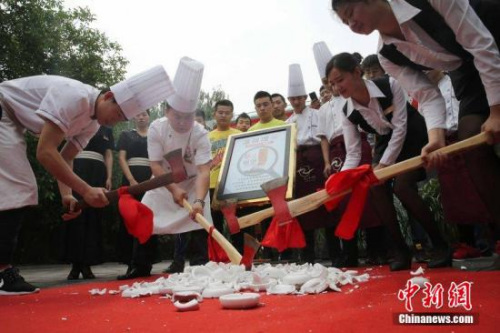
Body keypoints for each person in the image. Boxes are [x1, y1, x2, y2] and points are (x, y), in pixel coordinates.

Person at [331, 1, 500, 246]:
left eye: (351, 14)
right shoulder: (387, 56)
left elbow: (479, 43)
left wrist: (496, 110)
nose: (352, 25)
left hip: (490, 37)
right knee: (471, 140)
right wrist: (436, 139)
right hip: (467, 71)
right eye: (346, 22)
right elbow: (428, 95)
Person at [0, 65, 173, 295]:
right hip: (3, 110)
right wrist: (86, 189)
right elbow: (45, 152)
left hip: (13, 123)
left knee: (13, 189)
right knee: (19, 187)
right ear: (109, 97)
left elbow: (65, 156)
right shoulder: (74, 96)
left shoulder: (92, 122)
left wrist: (68, 195)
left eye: (123, 118)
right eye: (118, 114)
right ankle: (4, 272)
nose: (116, 121)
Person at [326, 52, 451, 271]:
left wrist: (384, 165)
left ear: (357, 72)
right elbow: (353, 152)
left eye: (340, 80)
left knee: (403, 187)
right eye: (333, 84)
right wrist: (342, 180)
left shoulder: (390, 84)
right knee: (375, 188)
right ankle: (400, 250)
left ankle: (440, 244)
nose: (338, 87)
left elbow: (401, 127)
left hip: (413, 136)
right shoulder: (346, 111)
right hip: (386, 143)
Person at [141, 57, 212, 274]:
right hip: (163, 182)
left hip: (193, 184)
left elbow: (203, 171)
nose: (182, 122)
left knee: (200, 220)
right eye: (177, 116)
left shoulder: (201, 133)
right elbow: (155, 164)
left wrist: (198, 200)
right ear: (166, 111)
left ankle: (200, 266)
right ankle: (140, 264)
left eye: (188, 117)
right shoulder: (156, 128)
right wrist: (173, 188)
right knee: (146, 216)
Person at [286, 64, 332, 264]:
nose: (296, 101)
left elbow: (323, 139)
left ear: (305, 97)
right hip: (298, 161)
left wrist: (326, 162)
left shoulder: (317, 113)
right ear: (289, 100)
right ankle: (307, 256)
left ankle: (335, 253)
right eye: (293, 99)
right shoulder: (288, 121)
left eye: (299, 98)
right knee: (303, 210)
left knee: (325, 205)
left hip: (316, 158)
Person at [62, 125, 114, 280]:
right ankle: (75, 264)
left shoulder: (107, 128)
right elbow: (63, 152)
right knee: (75, 211)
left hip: (97, 171)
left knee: (93, 216)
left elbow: (108, 154)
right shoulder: (77, 119)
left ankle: (87, 263)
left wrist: (109, 176)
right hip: (76, 169)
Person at [116, 111, 159, 280]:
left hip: (150, 180)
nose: (141, 117)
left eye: (144, 115)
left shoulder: (154, 136)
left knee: (148, 219)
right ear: (134, 117)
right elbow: (121, 159)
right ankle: (130, 263)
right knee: (129, 220)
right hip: (130, 182)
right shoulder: (126, 135)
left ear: (149, 117)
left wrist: (151, 180)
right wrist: (131, 180)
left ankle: (146, 263)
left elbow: (158, 159)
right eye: (138, 115)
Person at [208, 100, 241, 252]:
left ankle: (239, 253)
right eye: (220, 112)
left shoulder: (239, 135)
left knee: (235, 221)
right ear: (214, 114)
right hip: (212, 185)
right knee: (215, 223)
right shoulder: (206, 137)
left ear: (232, 115)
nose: (223, 115)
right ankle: (218, 255)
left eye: (227, 113)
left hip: (233, 185)